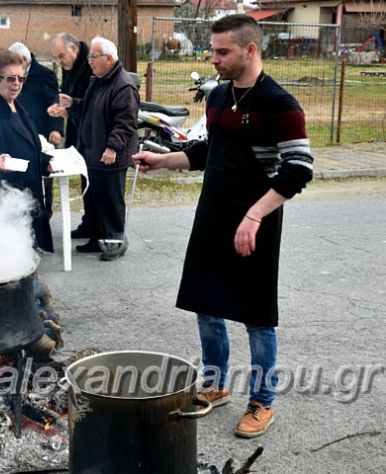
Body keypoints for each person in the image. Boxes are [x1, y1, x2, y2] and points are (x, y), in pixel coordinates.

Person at [132, 14, 314, 438]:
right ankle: (216, 384)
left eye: (221, 51)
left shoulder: (280, 105)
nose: (212, 59)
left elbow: (299, 168)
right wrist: (163, 160)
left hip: (257, 223)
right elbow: (209, 151)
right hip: (213, 215)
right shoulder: (216, 97)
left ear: (249, 50)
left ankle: (262, 401)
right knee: (206, 304)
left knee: (257, 317)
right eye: (212, 51)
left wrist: (255, 214)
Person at [53, 37, 139, 262]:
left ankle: (115, 242)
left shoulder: (123, 85)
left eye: (94, 56)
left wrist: (112, 147)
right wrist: (72, 105)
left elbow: (126, 122)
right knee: (94, 197)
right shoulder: (98, 80)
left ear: (109, 59)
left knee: (111, 200)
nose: (89, 60)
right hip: (92, 151)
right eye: (89, 56)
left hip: (111, 155)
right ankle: (96, 237)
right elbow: (88, 108)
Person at [0, 50, 54, 253]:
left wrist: (45, 162)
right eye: (11, 78)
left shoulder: (18, 108)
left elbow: (29, 149)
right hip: (3, 202)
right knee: (10, 263)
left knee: (27, 261)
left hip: (27, 198)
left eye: (21, 78)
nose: (17, 83)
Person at [8, 42, 63, 217]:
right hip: (17, 132)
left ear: (24, 59)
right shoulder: (10, 73)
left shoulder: (45, 75)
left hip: (42, 133)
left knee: (44, 173)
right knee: (21, 173)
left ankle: (45, 211)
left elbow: (56, 103)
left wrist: (56, 129)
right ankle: (22, 211)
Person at [50, 32, 93, 239]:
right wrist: (62, 109)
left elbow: (90, 101)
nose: (59, 61)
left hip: (93, 131)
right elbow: (67, 95)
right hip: (77, 128)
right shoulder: (70, 67)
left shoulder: (90, 65)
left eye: (61, 56)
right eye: (57, 57)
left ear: (74, 49)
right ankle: (89, 222)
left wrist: (71, 107)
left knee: (93, 178)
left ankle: (99, 226)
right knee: (84, 179)